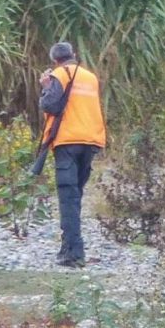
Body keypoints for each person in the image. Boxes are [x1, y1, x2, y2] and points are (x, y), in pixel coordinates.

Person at [39, 42, 106, 268]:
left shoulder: (60, 74)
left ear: (54, 60)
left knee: (68, 197)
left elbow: (49, 105)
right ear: (74, 55)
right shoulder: (90, 77)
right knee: (75, 195)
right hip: (91, 140)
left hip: (68, 141)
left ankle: (74, 253)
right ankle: (68, 247)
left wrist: (47, 86)